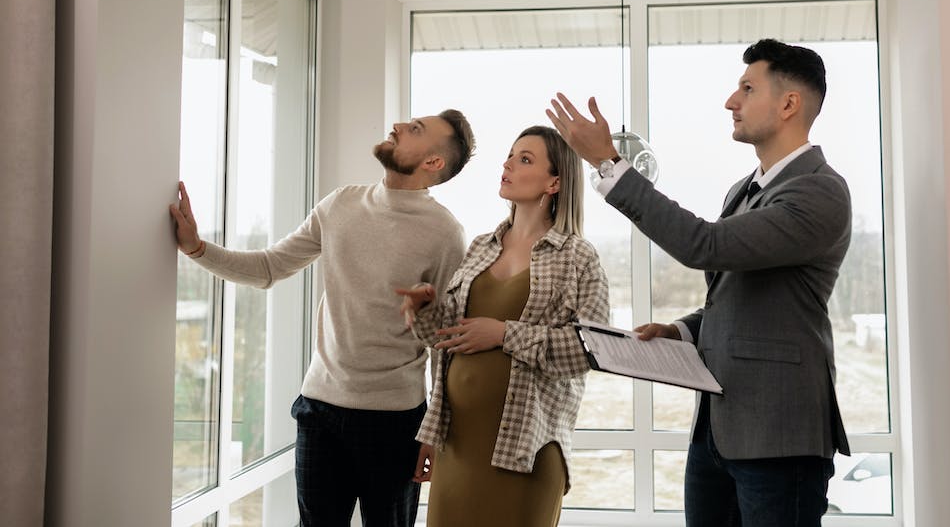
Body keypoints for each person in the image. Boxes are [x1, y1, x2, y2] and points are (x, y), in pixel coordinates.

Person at [547, 38, 852, 527]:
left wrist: (609, 164)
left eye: (747, 88)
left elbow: (703, 246)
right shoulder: (744, 190)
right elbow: (741, 295)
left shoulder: (819, 191)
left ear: (789, 103)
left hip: (779, 434)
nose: (731, 101)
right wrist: (683, 331)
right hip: (717, 429)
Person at [169, 110, 475, 527]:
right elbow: (270, 266)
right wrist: (196, 248)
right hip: (319, 409)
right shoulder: (341, 203)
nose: (399, 126)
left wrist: (434, 434)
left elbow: (444, 343)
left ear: (433, 162)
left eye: (415, 130)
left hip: (395, 419)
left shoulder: (445, 234)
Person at [396, 125, 610, 527]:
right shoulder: (481, 246)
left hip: (525, 453)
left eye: (524, 159)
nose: (508, 164)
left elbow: (591, 350)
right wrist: (426, 310)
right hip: (456, 446)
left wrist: (503, 333)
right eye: (510, 155)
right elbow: (446, 340)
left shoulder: (579, 258)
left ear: (555, 181)